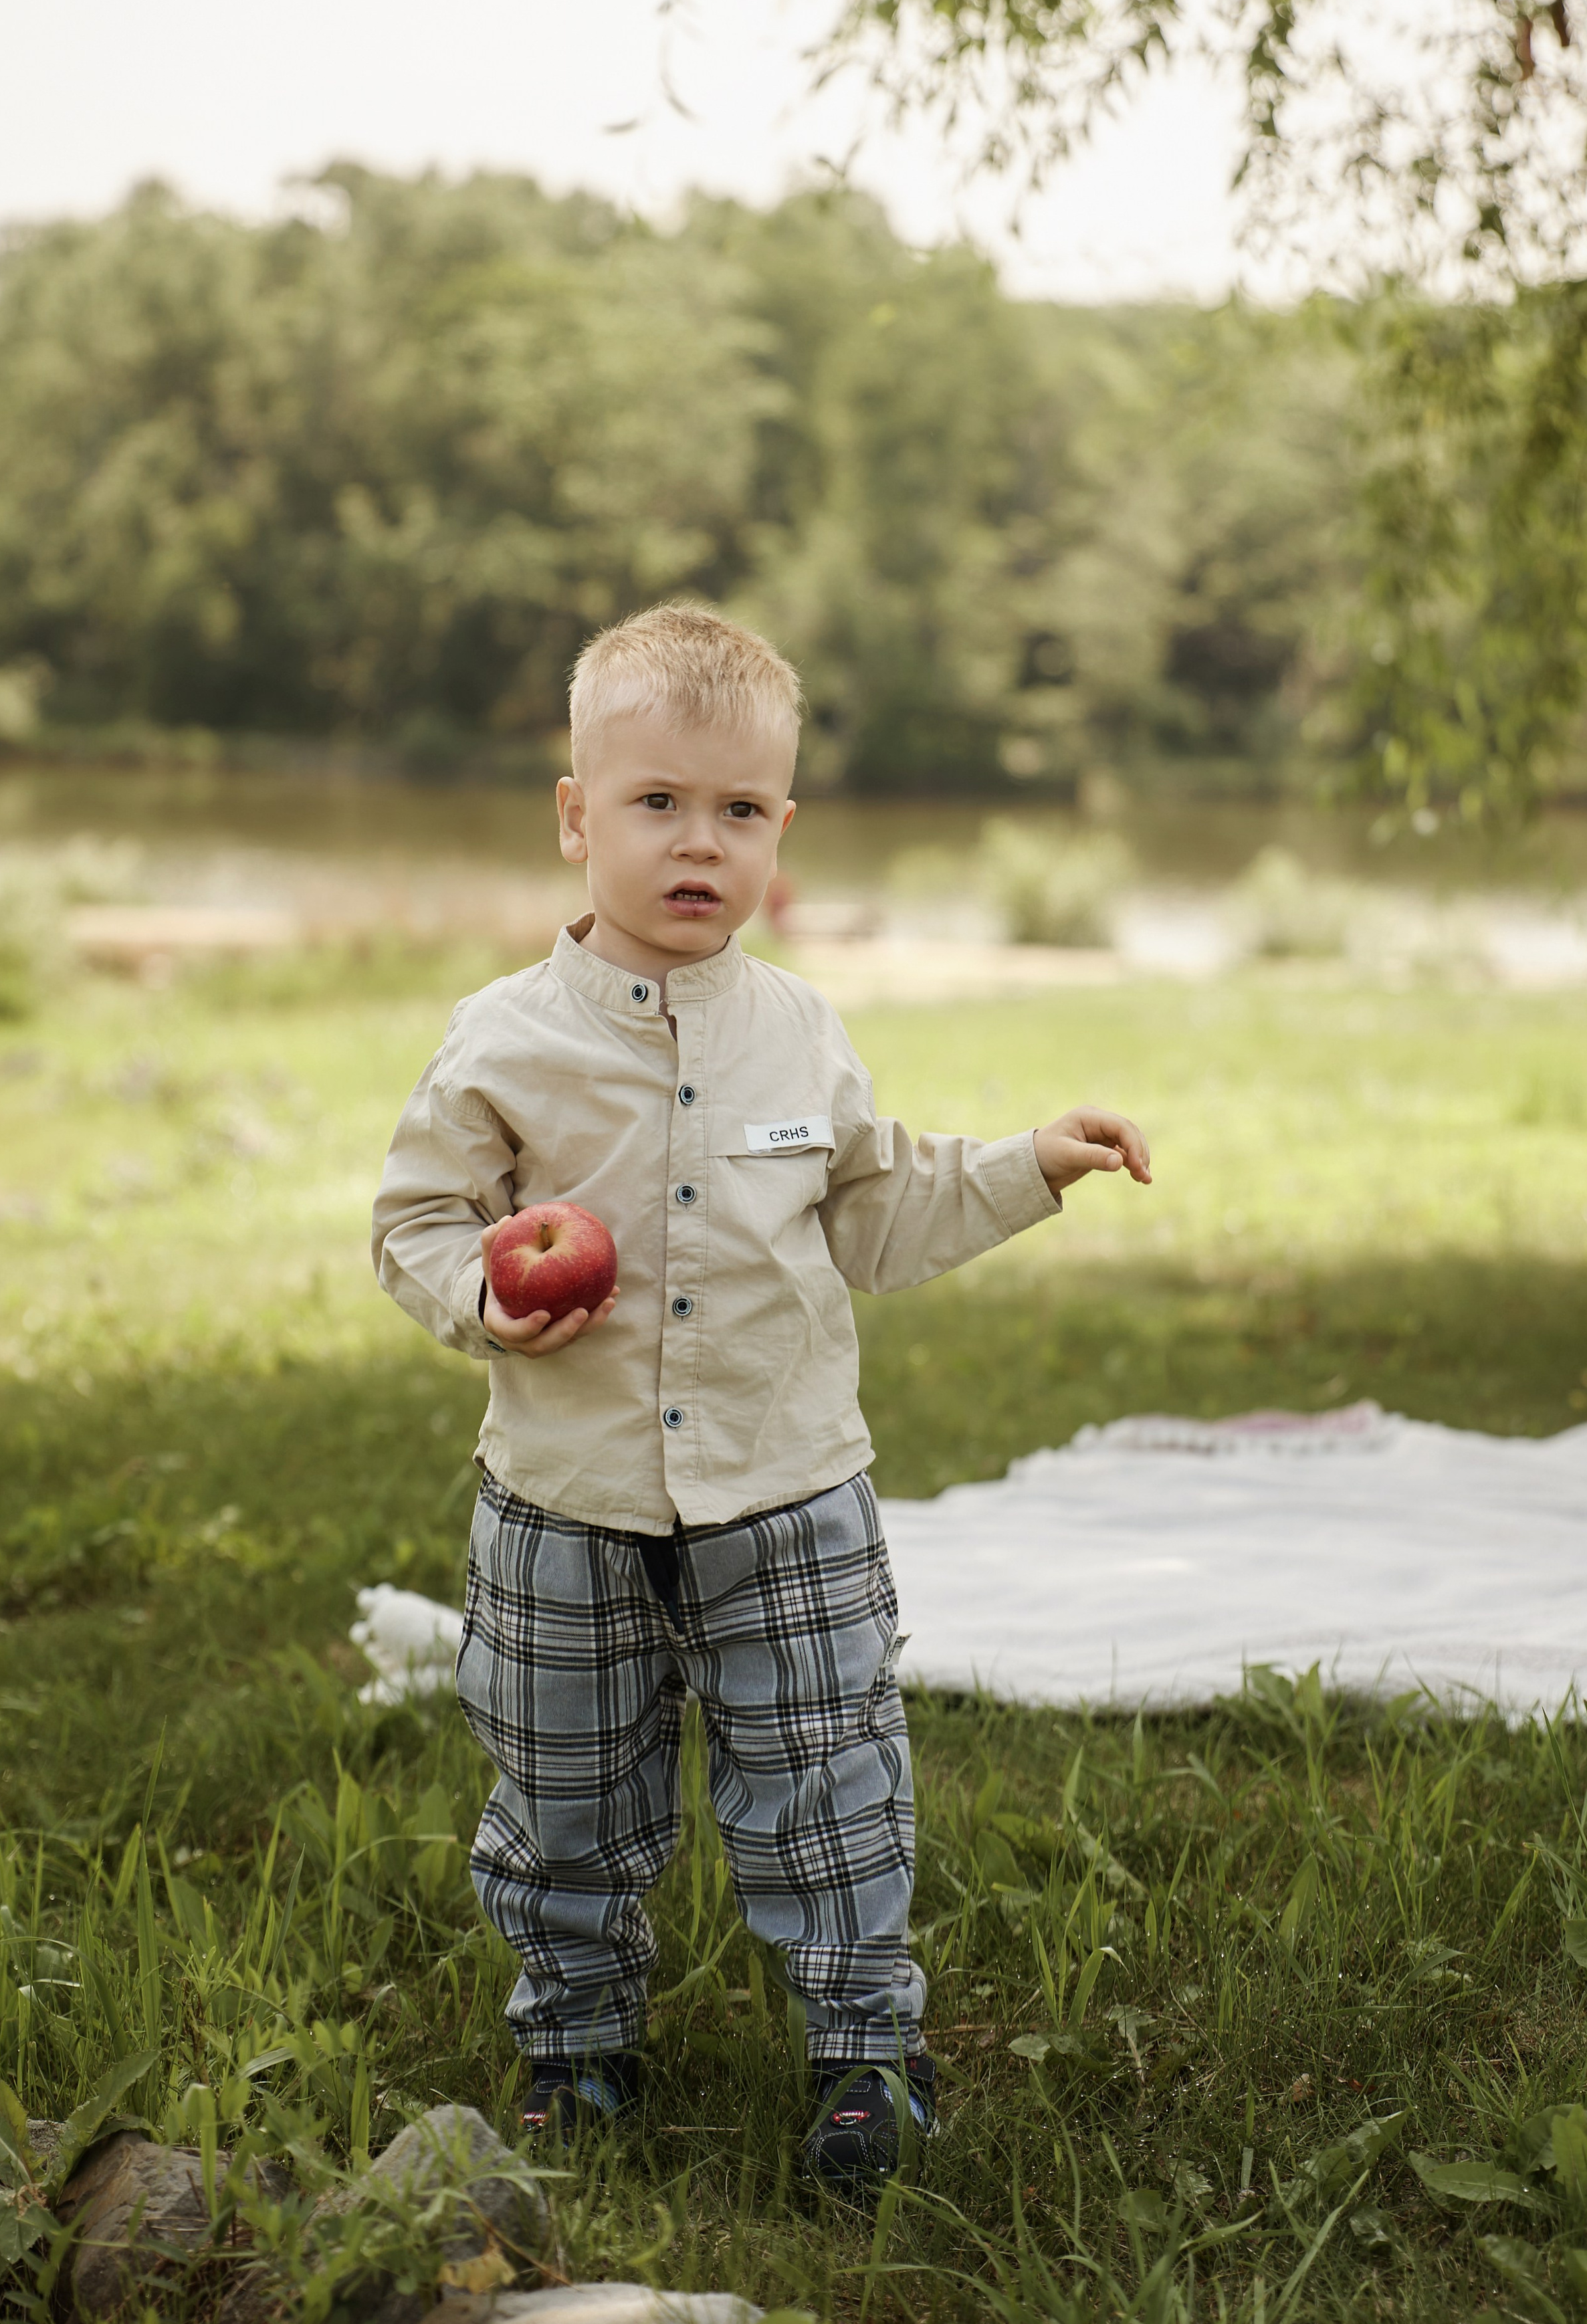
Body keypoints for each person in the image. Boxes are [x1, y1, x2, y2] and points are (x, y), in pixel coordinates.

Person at [371, 603, 1150, 2179]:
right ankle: (577, 2042)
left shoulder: (799, 1030)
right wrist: (479, 1300)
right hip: (565, 1498)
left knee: (825, 1778)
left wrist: (1023, 1169)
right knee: (564, 1788)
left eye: (737, 811)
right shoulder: (503, 1041)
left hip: (785, 1494)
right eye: (656, 802)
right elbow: (417, 1222)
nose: (696, 842)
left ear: (779, 835)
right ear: (576, 816)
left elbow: (872, 1209)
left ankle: (865, 2049)